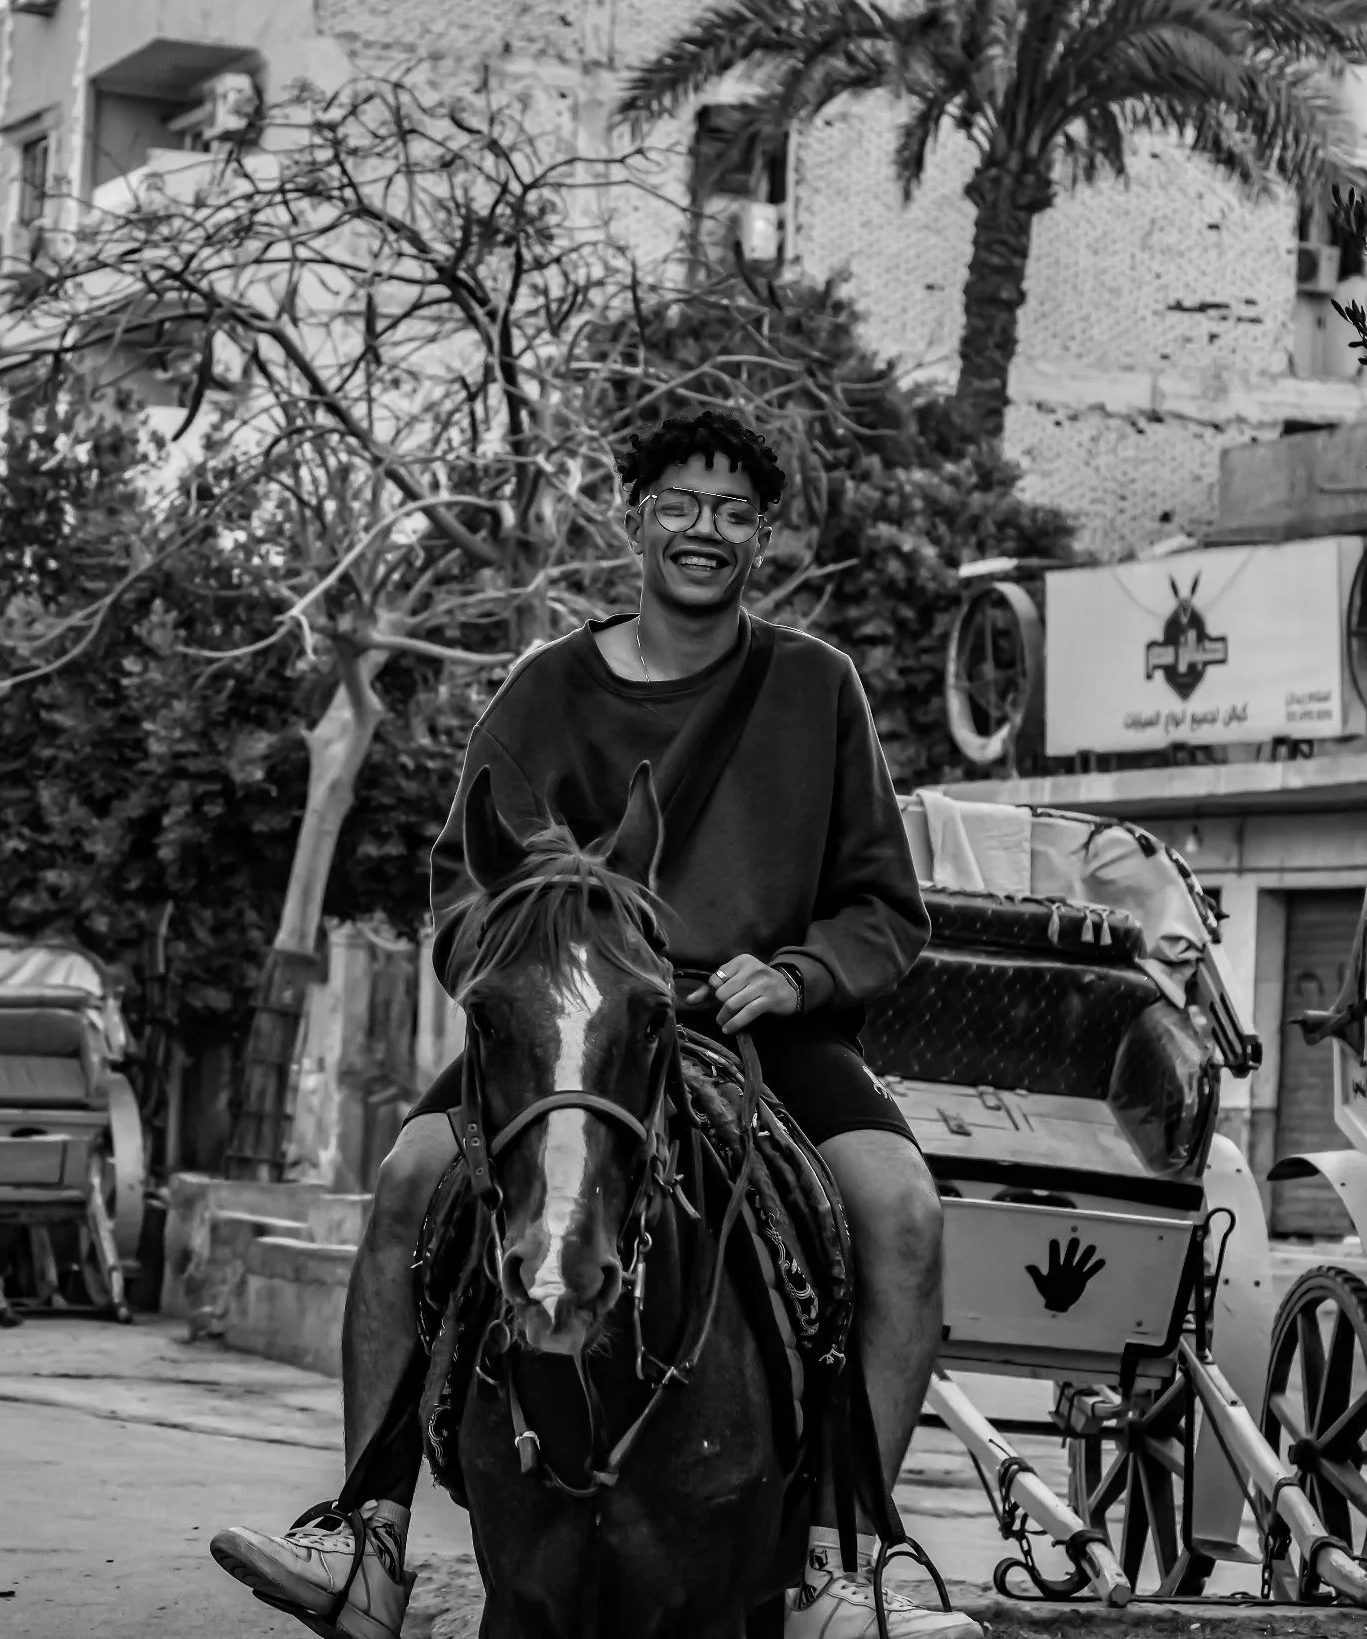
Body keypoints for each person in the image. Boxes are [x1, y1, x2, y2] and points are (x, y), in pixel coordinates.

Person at [211, 410, 979, 1639]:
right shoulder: (541, 692)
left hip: (755, 1028)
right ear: (635, 519)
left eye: (735, 513)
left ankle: (852, 1557)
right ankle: (369, 1532)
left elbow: (886, 906)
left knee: (899, 1207)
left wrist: (795, 974)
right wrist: (531, 972)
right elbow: (461, 891)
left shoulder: (813, 686)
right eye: (679, 504)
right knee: (409, 1180)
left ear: (765, 537)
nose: (706, 531)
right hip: (571, 1036)